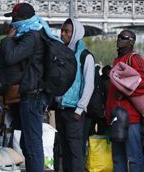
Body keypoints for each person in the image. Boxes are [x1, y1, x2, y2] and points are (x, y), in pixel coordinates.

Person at [0, 2, 57, 172]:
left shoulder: (32, 36)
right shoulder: (36, 33)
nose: (12, 23)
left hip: (33, 96)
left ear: (22, 19)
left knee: (33, 144)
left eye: (14, 19)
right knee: (28, 142)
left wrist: (9, 39)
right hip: (31, 94)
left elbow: (10, 57)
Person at [106, 30, 144, 172]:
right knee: (118, 157)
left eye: (123, 38)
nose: (119, 39)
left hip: (131, 118)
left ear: (132, 42)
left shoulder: (134, 58)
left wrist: (127, 89)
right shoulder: (117, 60)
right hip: (117, 117)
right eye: (118, 37)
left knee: (133, 157)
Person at [55, 18, 94, 172]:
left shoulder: (85, 57)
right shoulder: (60, 53)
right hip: (61, 108)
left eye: (67, 31)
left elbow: (88, 85)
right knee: (64, 149)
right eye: (62, 30)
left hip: (74, 112)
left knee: (75, 151)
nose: (62, 34)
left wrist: (80, 109)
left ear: (75, 34)